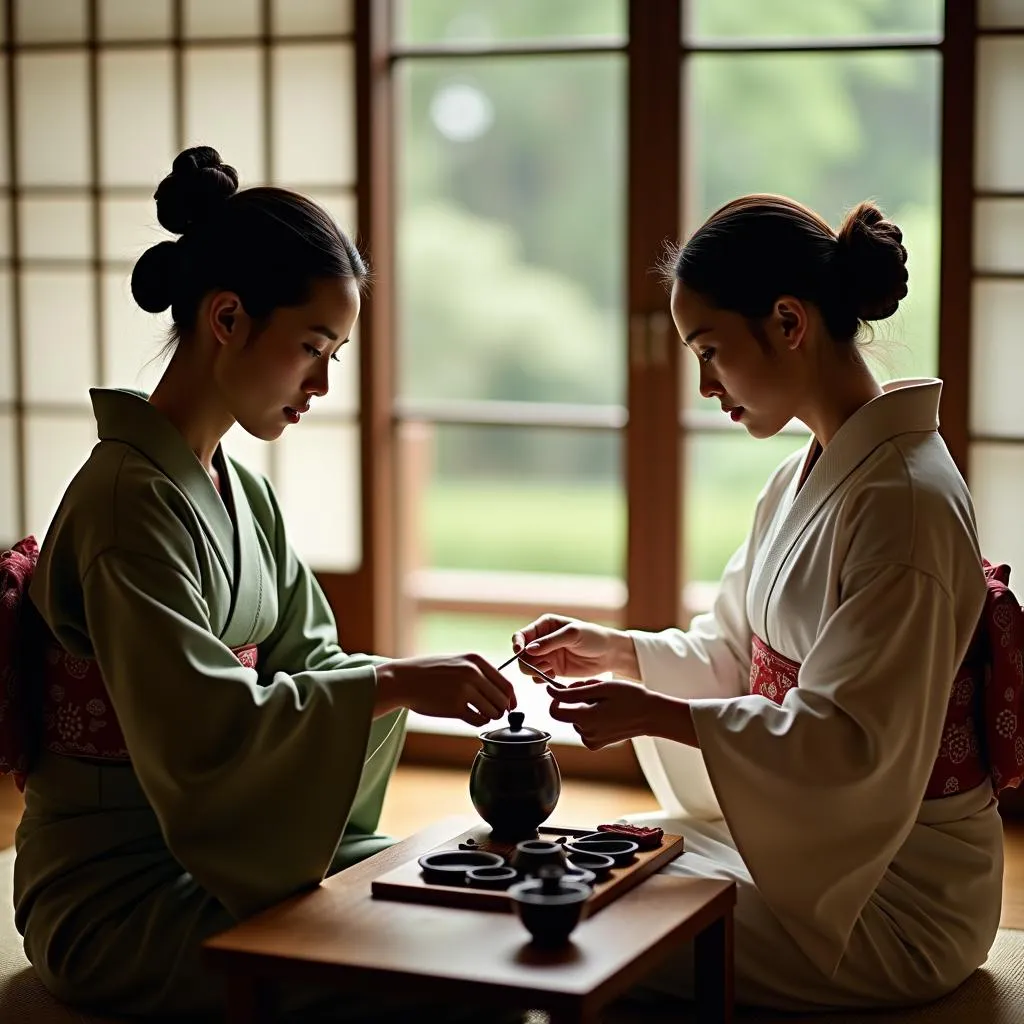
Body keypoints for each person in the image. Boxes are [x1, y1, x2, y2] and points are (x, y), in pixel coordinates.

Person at [13, 147, 516, 1019]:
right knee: (427, 979)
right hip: (121, 891)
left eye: (337, 353)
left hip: (214, 858)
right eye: (313, 347)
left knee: (467, 916)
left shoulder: (239, 492)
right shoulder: (127, 506)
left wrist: (388, 682)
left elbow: (314, 659)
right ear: (227, 319)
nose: (323, 382)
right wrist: (394, 681)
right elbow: (204, 735)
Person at [512, 195, 1006, 1012]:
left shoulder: (904, 502)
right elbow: (736, 654)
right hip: (814, 848)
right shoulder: (801, 477)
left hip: (890, 894)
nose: (705, 385)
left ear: (787, 322)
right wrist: (620, 651)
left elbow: (850, 744)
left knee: (592, 927)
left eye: (710, 351)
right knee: (582, 869)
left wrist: (654, 713)